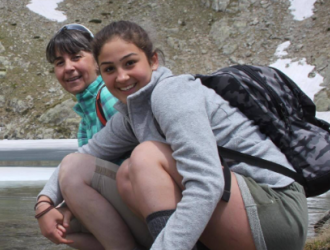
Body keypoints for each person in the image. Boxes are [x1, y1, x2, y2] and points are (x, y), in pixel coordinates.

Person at [62, 20, 307, 250]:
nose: (122, 76)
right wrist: (45, 203)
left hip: (278, 212)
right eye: (109, 69)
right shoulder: (132, 112)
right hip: (241, 208)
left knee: (146, 157)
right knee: (126, 174)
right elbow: (82, 157)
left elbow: (206, 181)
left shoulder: (171, 94)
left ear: (153, 60)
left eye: (130, 63)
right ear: (102, 74)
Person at [34, 24, 152, 250]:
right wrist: (65, 206)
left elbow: (78, 170)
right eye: (60, 63)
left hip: (147, 206)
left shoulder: (108, 97)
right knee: (62, 227)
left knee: (73, 172)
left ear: (97, 61)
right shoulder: (87, 113)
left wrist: (48, 203)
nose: (68, 68)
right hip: (135, 204)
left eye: (76, 57)